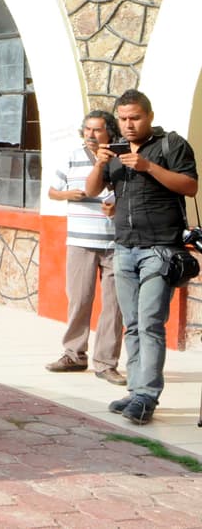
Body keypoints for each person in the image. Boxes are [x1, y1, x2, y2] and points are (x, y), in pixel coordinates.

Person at [86, 89, 198, 425]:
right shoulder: (116, 151)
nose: (129, 125)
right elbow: (92, 190)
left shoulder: (171, 145)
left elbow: (189, 186)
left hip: (160, 248)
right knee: (132, 324)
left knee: (150, 323)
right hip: (124, 247)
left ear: (148, 116)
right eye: (123, 119)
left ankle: (147, 396)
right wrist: (101, 162)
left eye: (135, 118)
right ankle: (135, 391)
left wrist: (149, 167)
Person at [46, 110, 124, 385]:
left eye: (97, 130)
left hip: (115, 241)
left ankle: (106, 363)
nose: (91, 135)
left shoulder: (120, 158)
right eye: (87, 130)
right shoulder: (71, 156)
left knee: (114, 305)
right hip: (80, 240)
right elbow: (52, 192)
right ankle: (74, 354)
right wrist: (69, 194)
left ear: (109, 133)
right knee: (79, 300)